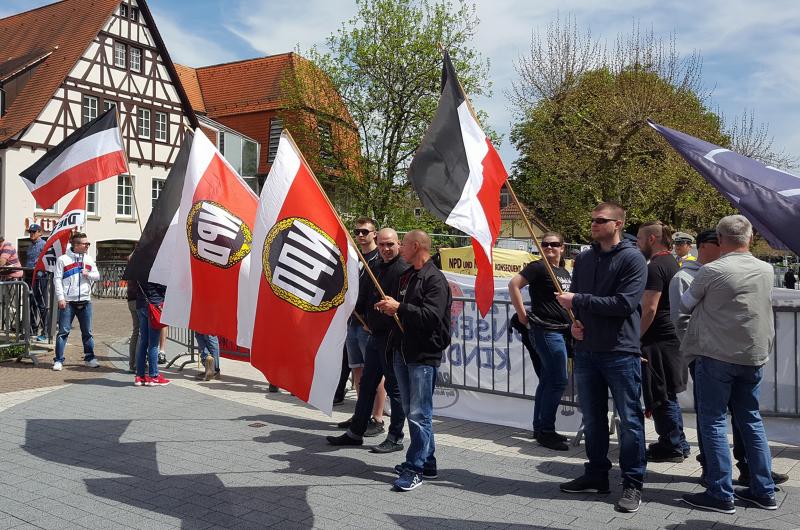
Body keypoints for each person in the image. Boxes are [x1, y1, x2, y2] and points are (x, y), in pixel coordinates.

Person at [671, 229, 789, 490]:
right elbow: (680, 318)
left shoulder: (724, 271)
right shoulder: (687, 276)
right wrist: (694, 350)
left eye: (721, 241)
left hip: (732, 356)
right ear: (703, 246)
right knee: (719, 418)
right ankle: (720, 474)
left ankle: (742, 477)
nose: (721, 247)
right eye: (715, 243)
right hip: (709, 354)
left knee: (735, 417)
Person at [555, 202, 647, 514]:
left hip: (620, 351)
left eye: (600, 220)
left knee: (630, 420)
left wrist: (578, 300)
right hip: (587, 350)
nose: (594, 224)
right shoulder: (584, 258)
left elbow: (624, 304)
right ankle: (596, 474)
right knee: (592, 418)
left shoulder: (633, 259)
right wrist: (574, 323)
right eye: (592, 219)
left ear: (618, 224)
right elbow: (577, 303)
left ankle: (633, 482)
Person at [376, 230, 452, 492]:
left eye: (404, 244)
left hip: (422, 355)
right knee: (412, 412)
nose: (400, 248)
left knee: (420, 414)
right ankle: (427, 460)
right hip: (402, 351)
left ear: (416, 246)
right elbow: (406, 313)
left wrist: (400, 308)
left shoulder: (435, 279)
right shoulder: (407, 275)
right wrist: (389, 308)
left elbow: (431, 317)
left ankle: (415, 467)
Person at [327, 228, 408, 451]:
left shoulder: (403, 269)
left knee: (395, 390)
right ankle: (356, 432)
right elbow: (364, 294)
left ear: (398, 244)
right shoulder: (375, 266)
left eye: (390, 244)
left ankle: (395, 437)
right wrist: (358, 311)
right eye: (382, 245)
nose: (386, 249)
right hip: (374, 336)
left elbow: (405, 306)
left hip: (393, 340)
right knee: (366, 384)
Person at [509, 232, 572, 451]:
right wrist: (522, 315)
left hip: (561, 330)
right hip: (546, 330)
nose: (549, 248)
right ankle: (546, 431)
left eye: (554, 244)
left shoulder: (563, 271)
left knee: (547, 380)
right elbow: (514, 284)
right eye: (545, 244)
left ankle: (540, 427)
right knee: (558, 380)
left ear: (562, 247)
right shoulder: (538, 267)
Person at [636, 222, 689, 462]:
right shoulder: (672, 263)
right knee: (666, 391)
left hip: (659, 338)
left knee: (661, 392)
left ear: (651, 239)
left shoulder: (656, 266)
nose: (637, 244)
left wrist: (636, 338)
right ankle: (676, 442)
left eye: (638, 239)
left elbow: (649, 308)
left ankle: (673, 444)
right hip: (670, 336)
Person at [338, 217, 384, 427]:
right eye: (357, 232)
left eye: (365, 232)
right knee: (357, 370)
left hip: (369, 324)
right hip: (352, 322)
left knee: (374, 372)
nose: (361, 236)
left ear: (375, 233)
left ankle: (377, 417)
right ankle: (361, 413)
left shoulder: (379, 260)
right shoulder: (354, 259)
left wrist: (372, 320)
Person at [52, 232, 100, 371]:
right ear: (76, 245)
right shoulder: (63, 259)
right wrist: (61, 298)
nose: (87, 246)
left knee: (87, 332)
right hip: (68, 302)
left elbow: (97, 275)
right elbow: (57, 279)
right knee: (63, 332)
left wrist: (88, 274)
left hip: (85, 301)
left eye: (87, 243)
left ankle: (89, 357)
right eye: (85, 244)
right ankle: (59, 360)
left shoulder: (89, 259)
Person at [135, 281, 171, 386]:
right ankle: (153, 376)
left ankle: (139, 376)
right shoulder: (155, 269)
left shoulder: (137, 268)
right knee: (153, 343)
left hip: (141, 304)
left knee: (143, 341)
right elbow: (162, 287)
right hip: (153, 304)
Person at [24, 224, 49, 341]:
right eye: (30, 232)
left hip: (40, 277)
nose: (31, 234)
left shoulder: (44, 245)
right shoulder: (30, 246)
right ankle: (33, 329)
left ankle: (46, 331)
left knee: (42, 304)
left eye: (34, 232)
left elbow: (47, 261)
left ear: (40, 232)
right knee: (31, 303)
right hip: (29, 276)